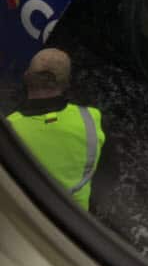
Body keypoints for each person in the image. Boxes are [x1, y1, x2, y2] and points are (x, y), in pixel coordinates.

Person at [7, 49, 105, 211]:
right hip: (72, 217)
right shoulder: (91, 118)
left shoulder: (9, 127)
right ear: (66, 83)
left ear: (26, 76)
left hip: (19, 210)